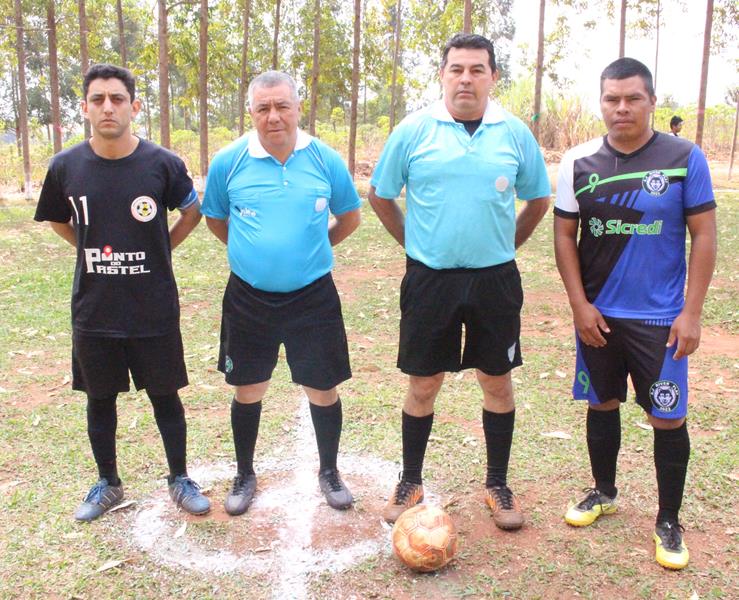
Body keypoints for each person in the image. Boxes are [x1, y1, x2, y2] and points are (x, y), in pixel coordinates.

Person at [369, 33, 551, 529]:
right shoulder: (413, 130)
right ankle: (411, 480)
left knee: (497, 379)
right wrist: (415, 244)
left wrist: (507, 244)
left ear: (493, 76)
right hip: (431, 281)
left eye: (477, 69)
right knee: (424, 382)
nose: (466, 78)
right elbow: (381, 195)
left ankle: (497, 483)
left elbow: (538, 198)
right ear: (443, 75)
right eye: (456, 69)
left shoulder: (513, 132)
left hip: (495, 280)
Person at [554, 57, 716, 570]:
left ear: (650, 100)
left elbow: (704, 234)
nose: (621, 108)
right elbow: (564, 235)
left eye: (632, 98)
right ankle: (603, 491)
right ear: (601, 101)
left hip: (661, 320)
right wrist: (580, 306)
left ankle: (668, 519)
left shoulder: (684, 157)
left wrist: (691, 313)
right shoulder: (578, 163)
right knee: (602, 405)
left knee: (667, 418)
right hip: (599, 316)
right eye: (611, 99)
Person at [34, 64, 210, 521]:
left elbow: (191, 212)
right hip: (95, 307)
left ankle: (179, 478)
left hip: (152, 307)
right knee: (99, 398)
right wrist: (87, 247)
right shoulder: (65, 166)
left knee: (166, 395)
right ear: (85, 108)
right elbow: (57, 219)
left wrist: (160, 247)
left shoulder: (163, 164)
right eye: (98, 99)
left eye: (116, 98)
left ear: (135, 105)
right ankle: (108, 483)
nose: (107, 106)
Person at [201, 71, 361, 516]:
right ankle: (245, 473)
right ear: (250, 112)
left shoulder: (325, 159)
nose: (273, 117)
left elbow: (349, 217)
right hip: (248, 298)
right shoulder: (228, 162)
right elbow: (216, 219)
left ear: (297, 107)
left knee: (322, 387)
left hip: (313, 297)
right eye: (263, 108)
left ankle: (329, 471)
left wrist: (310, 250)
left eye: (282, 106)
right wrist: (251, 252)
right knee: (247, 387)